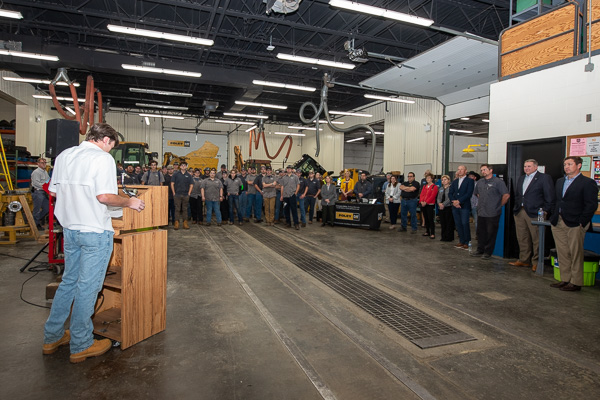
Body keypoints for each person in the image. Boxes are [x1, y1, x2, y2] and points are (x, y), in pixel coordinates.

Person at [43, 123, 144, 364]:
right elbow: (104, 196)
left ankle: (52, 337)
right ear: (106, 140)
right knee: (88, 288)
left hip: (70, 230)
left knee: (68, 283)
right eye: (112, 146)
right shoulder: (102, 158)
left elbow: (54, 192)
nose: (110, 151)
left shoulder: (65, 155)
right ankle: (81, 344)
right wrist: (129, 202)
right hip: (94, 231)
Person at [549, 156, 599, 292]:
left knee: (575, 253)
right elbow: (556, 200)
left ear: (579, 166)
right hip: (558, 221)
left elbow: (591, 205)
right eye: (565, 164)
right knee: (562, 252)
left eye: (570, 164)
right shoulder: (560, 181)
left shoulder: (587, 183)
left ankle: (575, 282)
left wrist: (582, 221)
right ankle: (565, 279)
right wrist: (553, 214)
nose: (566, 167)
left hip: (575, 223)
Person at [510, 159, 555, 270]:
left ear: (536, 167)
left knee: (537, 239)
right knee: (522, 237)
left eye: (529, 166)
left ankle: (536, 262)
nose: (526, 168)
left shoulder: (544, 178)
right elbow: (518, 195)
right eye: (525, 166)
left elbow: (550, 196)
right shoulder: (521, 178)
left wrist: (545, 211)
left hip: (536, 213)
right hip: (520, 211)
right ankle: (524, 260)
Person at [470, 164, 509, 259]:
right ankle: (480, 250)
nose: (483, 172)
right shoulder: (480, 182)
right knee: (480, 232)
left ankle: (488, 252)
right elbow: (477, 194)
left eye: (484, 169)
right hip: (481, 211)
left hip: (492, 213)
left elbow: (506, 195)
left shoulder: (498, 182)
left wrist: (499, 205)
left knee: (490, 233)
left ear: (491, 170)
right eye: (481, 170)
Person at [449, 165, 475, 249]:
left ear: (465, 171)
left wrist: (459, 201)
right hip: (455, 206)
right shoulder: (455, 182)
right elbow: (450, 193)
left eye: (461, 169)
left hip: (464, 206)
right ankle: (461, 241)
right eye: (458, 169)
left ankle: (467, 241)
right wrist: (454, 201)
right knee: (458, 224)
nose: (459, 171)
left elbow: (469, 193)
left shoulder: (470, 181)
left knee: (465, 223)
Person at [170, 161, 193, 230]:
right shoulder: (176, 174)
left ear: (186, 166)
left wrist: (189, 193)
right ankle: (176, 223)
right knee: (177, 209)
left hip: (185, 195)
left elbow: (191, 185)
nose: (183, 166)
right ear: (180, 166)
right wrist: (174, 192)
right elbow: (172, 183)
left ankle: (185, 223)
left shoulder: (189, 175)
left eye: (184, 165)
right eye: (182, 165)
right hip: (177, 194)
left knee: (185, 209)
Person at [31, 157, 50, 230]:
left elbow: (48, 180)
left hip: (43, 192)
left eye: (45, 162)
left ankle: (37, 219)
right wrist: (45, 186)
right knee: (37, 209)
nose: (44, 164)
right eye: (42, 163)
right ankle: (36, 224)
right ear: (38, 164)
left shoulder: (45, 172)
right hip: (38, 192)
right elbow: (36, 183)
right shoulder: (36, 172)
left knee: (47, 208)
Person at [281, 165, 300, 229]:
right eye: (287, 168)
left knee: (294, 210)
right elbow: (282, 186)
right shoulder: (284, 178)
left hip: (292, 195)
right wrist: (282, 195)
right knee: (286, 210)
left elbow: (298, 185)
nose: (288, 170)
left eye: (289, 169)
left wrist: (295, 193)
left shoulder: (295, 177)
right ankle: (288, 223)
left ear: (292, 170)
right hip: (285, 196)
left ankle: (296, 223)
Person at [420, 173, 439, 239]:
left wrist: (426, 202)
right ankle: (427, 231)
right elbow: (422, 194)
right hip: (423, 204)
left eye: (429, 178)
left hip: (430, 204)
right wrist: (421, 201)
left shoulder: (434, 187)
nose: (427, 179)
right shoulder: (424, 186)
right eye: (426, 178)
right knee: (426, 218)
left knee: (430, 218)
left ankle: (432, 233)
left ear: (432, 179)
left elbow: (433, 196)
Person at [437, 175, 455, 242]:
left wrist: (443, 204)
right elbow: (438, 197)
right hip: (441, 208)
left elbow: (450, 198)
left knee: (449, 222)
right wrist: (439, 203)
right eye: (442, 180)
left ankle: (449, 237)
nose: (443, 181)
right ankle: (443, 236)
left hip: (448, 207)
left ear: (449, 180)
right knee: (443, 222)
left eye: (445, 179)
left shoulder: (451, 188)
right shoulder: (441, 189)